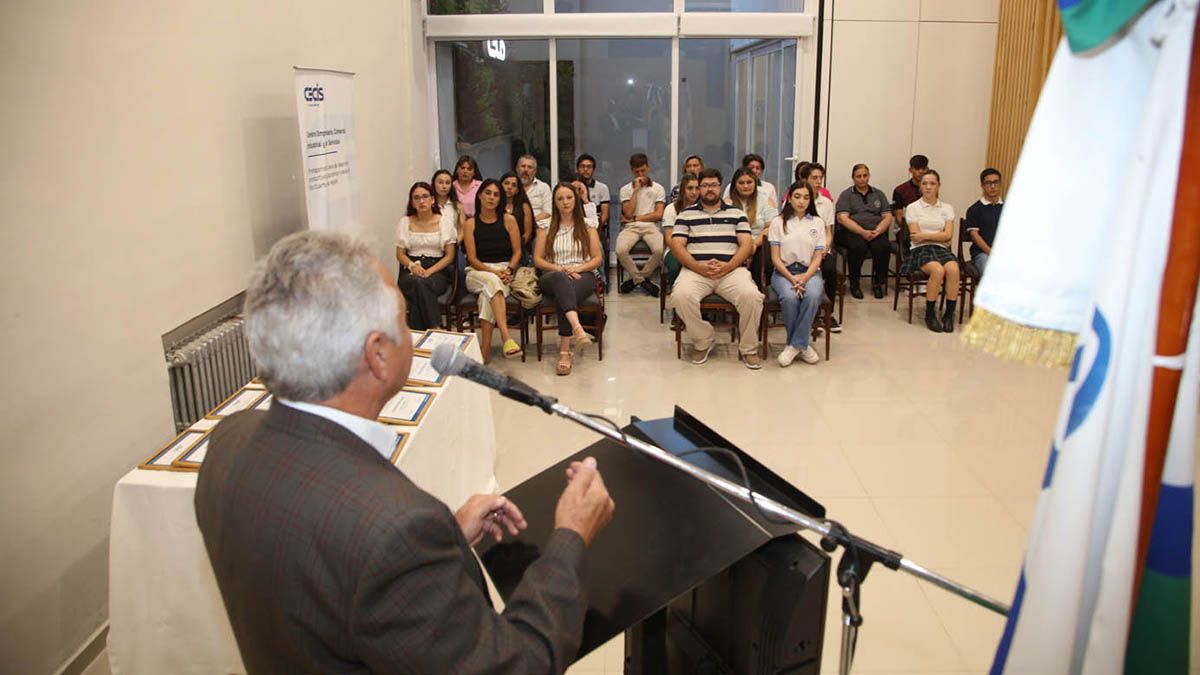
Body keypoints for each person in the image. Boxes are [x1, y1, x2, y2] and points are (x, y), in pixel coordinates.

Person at [195, 230, 615, 674]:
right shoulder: (396, 530)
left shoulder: (228, 442)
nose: (412, 332)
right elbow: (517, 665)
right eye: (403, 318)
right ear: (377, 354)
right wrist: (571, 538)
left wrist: (446, 540)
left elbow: (328, 578)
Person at [669, 168, 764, 369]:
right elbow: (677, 246)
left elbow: (746, 245)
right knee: (680, 296)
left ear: (721, 187)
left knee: (752, 296)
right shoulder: (685, 215)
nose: (709, 189)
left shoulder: (737, 214)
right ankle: (704, 339)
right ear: (699, 188)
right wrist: (697, 267)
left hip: (731, 271)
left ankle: (748, 349)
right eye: (705, 185)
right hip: (696, 271)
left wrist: (729, 266)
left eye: (713, 185)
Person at [533, 184, 605, 376]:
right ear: (554, 203)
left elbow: (597, 259)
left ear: (576, 200)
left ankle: (565, 351)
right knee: (560, 280)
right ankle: (577, 328)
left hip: (583, 274)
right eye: (560, 199)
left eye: (569, 198)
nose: (565, 202)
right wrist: (560, 269)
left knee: (564, 293)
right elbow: (538, 260)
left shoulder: (588, 226)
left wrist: (576, 268)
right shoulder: (545, 226)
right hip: (552, 274)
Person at [463, 179, 524, 360]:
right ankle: (506, 336)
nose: (491, 197)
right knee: (492, 282)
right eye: (488, 193)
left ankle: (485, 350)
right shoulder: (470, 224)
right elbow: (472, 259)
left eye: (496, 195)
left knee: (487, 295)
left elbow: (517, 251)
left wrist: (509, 270)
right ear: (480, 196)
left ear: (500, 199)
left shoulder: (509, 220)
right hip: (477, 272)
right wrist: (494, 273)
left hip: (504, 271)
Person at [768, 183, 826, 367]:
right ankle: (803, 345)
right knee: (789, 297)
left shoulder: (817, 222)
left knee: (812, 295)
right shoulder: (778, 222)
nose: (802, 201)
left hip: (810, 272)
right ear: (789, 198)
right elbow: (775, 258)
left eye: (806, 197)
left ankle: (794, 345)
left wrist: (805, 278)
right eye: (797, 196)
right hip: (784, 272)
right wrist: (792, 278)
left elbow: (817, 257)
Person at [902, 169, 960, 333]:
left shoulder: (947, 208)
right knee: (937, 270)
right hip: (920, 250)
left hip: (941, 249)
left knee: (954, 269)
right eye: (925, 183)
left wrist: (925, 235)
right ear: (920, 186)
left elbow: (948, 236)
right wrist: (938, 235)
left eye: (932, 183)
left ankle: (948, 315)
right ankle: (930, 314)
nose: (928, 187)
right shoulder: (913, 208)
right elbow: (915, 237)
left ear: (938, 186)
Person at [395, 182, 457, 331]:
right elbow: (400, 254)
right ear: (412, 202)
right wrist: (412, 266)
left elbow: (450, 256)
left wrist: (429, 271)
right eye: (416, 198)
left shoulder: (444, 222)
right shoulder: (405, 222)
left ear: (433, 199)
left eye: (425, 196)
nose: (421, 201)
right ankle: (435, 327)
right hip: (411, 270)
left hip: (437, 270)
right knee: (417, 282)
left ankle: (418, 334)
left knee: (420, 287)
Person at [835, 164, 893, 299]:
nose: (862, 179)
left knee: (883, 246)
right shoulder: (846, 195)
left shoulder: (879, 194)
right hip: (851, 232)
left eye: (865, 176)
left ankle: (878, 283)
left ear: (869, 176)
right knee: (858, 247)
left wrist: (877, 231)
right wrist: (862, 232)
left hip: (875, 231)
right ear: (853, 178)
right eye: (858, 176)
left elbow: (888, 216)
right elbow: (842, 218)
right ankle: (854, 284)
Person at [616, 152, 666, 296]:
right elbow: (628, 214)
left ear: (648, 168)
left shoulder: (658, 188)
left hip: (651, 227)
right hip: (630, 228)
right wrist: (636, 191)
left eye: (643, 170)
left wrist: (636, 219)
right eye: (637, 171)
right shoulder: (625, 189)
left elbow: (659, 214)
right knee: (620, 250)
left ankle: (635, 280)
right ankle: (642, 281)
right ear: (632, 171)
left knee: (660, 250)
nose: (640, 174)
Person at [799, 163, 841, 333]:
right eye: (814, 178)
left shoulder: (826, 203)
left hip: (822, 247)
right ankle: (805, 313)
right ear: (805, 179)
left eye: (820, 178)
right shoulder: (796, 199)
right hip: (801, 248)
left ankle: (827, 313)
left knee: (830, 269)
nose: (818, 182)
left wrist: (825, 248)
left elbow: (828, 231)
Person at [661, 172, 700, 287]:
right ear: (683, 190)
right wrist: (684, 252)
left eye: (697, 188)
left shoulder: (704, 208)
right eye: (690, 188)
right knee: (675, 267)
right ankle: (675, 291)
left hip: (699, 248)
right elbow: (669, 239)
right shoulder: (671, 209)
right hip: (675, 249)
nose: (694, 192)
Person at [965, 168, 1004, 277]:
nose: (993, 186)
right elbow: (975, 235)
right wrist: (991, 253)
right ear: (982, 185)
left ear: (1000, 184)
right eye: (988, 183)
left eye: (996, 182)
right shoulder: (974, 209)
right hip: (983, 253)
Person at [500, 171, 536, 251]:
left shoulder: (524, 206)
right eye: (506, 183)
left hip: (520, 247)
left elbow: (528, 234)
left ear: (517, 190)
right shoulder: (494, 205)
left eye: (513, 185)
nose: (509, 187)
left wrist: (516, 247)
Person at [891, 154, 929, 225]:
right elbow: (899, 219)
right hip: (908, 226)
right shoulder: (900, 190)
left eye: (923, 169)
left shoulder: (931, 188)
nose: (920, 171)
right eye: (917, 168)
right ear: (910, 170)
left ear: (927, 170)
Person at [575, 154, 610, 227]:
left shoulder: (602, 188)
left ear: (593, 170)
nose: (585, 169)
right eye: (582, 166)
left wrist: (595, 227)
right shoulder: (571, 187)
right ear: (577, 169)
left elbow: (605, 215)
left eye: (589, 167)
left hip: (596, 225)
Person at [516, 154, 552, 225]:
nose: (526, 170)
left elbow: (548, 212)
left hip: (538, 224)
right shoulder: (511, 187)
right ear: (517, 169)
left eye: (530, 167)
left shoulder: (543, 187)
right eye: (523, 166)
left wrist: (529, 222)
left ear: (534, 171)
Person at [431, 169, 464, 241]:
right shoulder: (429, 205)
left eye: (448, 183)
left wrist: (455, 244)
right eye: (440, 182)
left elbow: (462, 229)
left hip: (452, 243)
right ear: (434, 184)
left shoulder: (458, 206)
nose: (444, 186)